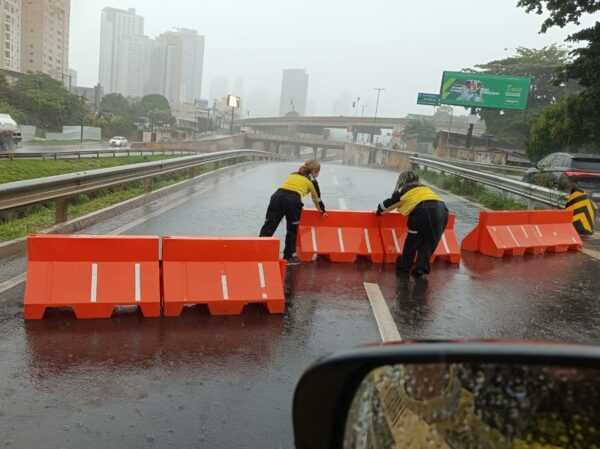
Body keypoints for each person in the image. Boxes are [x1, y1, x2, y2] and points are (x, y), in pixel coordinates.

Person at [376, 170, 448, 277]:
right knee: (429, 242)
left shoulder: (404, 189)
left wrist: (379, 210)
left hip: (422, 211)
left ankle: (404, 268)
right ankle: (421, 268)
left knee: (412, 241)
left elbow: (387, 205)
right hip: (442, 211)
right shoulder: (425, 188)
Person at [260, 160, 326, 264]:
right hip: (293, 200)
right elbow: (317, 199)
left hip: (276, 197)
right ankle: (289, 256)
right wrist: (322, 211)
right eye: (318, 172)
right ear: (315, 172)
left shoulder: (293, 175)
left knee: (269, 226)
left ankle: (259, 253)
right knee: (292, 230)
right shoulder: (312, 182)